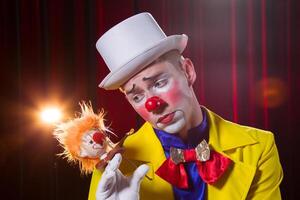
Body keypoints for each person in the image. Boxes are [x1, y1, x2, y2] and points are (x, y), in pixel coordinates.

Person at [88, 12, 283, 200]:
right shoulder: (113, 164)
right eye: (137, 97)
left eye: (159, 83)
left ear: (188, 71)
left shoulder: (259, 147)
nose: (152, 105)